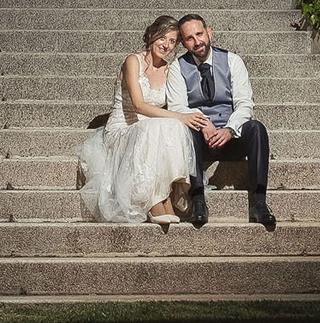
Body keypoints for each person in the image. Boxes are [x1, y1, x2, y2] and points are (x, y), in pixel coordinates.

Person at [72, 15, 201, 225]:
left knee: (172, 127)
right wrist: (179, 117)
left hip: (149, 132)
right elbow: (139, 105)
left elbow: (172, 107)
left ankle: (164, 194)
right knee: (160, 125)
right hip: (122, 129)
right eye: (162, 38)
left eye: (172, 41)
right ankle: (151, 200)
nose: (166, 45)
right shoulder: (133, 61)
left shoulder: (169, 70)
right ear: (151, 35)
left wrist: (182, 119)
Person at [174, 12, 274, 228]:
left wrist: (229, 129)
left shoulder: (232, 60)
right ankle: (198, 200)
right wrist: (203, 122)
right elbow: (177, 107)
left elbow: (245, 103)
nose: (197, 41)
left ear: (209, 32)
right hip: (199, 141)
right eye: (189, 38)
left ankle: (258, 202)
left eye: (199, 34)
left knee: (257, 128)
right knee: (185, 129)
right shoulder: (177, 68)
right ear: (183, 42)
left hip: (231, 139)